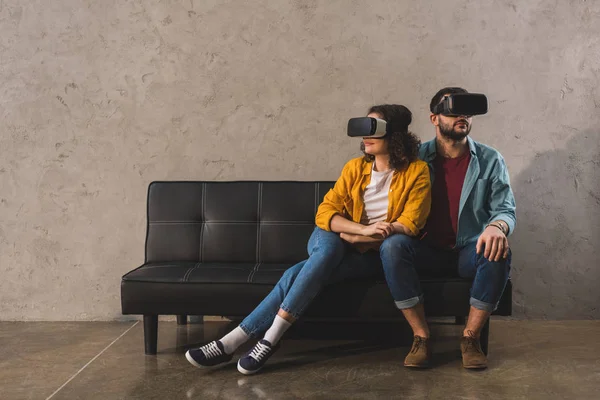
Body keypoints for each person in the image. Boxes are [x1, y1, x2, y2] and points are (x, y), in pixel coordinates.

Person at [185, 104, 432, 375]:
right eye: (363, 128)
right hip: (330, 237)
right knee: (326, 254)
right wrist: (358, 231)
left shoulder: (416, 171)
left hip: (368, 254)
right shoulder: (354, 168)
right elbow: (326, 213)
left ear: (394, 134)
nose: (365, 136)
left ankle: (233, 342)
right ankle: (268, 340)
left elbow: (411, 222)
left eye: (373, 128)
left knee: (296, 273)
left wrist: (362, 235)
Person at [396, 87, 516, 369]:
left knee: (499, 250)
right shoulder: (415, 158)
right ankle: (421, 337)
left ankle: (470, 338)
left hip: (469, 250)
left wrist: (497, 227)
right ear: (434, 118)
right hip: (425, 248)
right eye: (452, 109)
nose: (462, 116)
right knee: (393, 246)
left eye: (467, 110)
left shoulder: (490, 159)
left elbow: (505, 208)